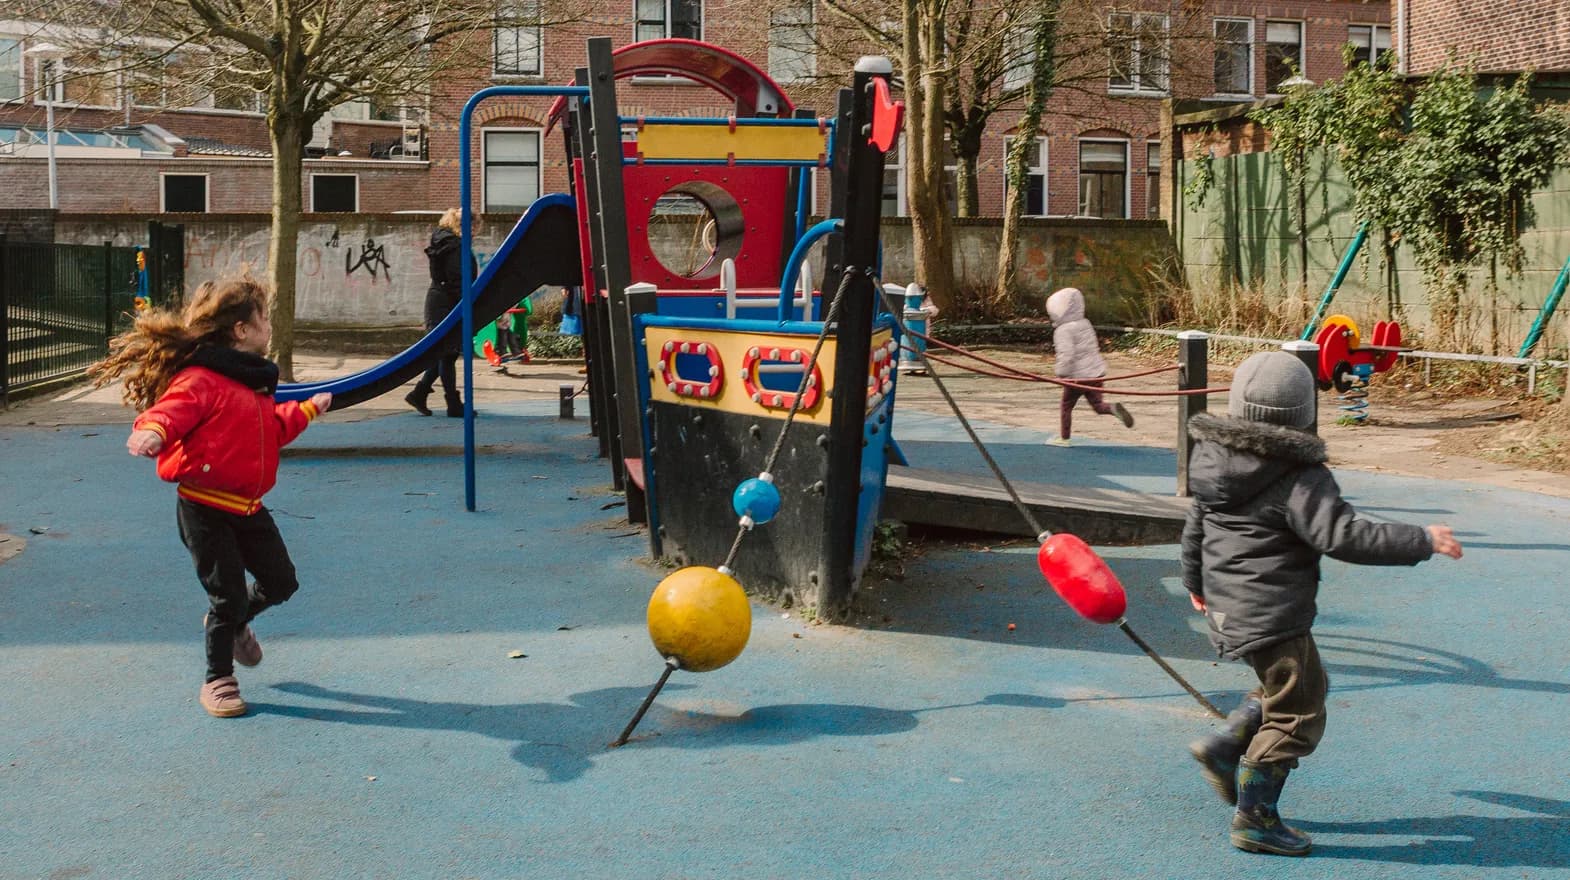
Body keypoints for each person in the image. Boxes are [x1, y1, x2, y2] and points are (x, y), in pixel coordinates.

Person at [1180, 351, 1463, 856]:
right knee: (1299, 713)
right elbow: (1345, 536)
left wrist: (1195, 584)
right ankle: (1255, 818)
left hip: (1225, 603)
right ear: (1306, 412)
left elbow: (1196, 528)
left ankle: (1226, 747)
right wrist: (1419, 539)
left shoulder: (1212, 460)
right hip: (1271, 611)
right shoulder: (1299, 476)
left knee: (1296, 683)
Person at [89, 275, 331, 718]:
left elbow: (270, 430)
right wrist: (152, 431)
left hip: (248, 507)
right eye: (264, 319)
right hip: (204, 507)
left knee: (282, 582)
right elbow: (171, 410)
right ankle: (218, 679)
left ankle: (235, 623)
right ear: (241, 329)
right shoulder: (203, 379)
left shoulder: (252, 382)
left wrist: (308, 410)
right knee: (227, 594)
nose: (269, 327)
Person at [406, 208, 475, 417]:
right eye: (472, 225)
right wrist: (466, 302)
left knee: (446, 353)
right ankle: (451, 404)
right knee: (446, 353)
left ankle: (420, 393)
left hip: (440, 300)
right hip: (446, 303)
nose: (474, 230)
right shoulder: (454, 246)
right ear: (461, 225)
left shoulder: (446, 243)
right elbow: (458, 278)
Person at [1045, 286, 1132, 446]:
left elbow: (1067, 355)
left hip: (1077, 378)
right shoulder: (1085, 323)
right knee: (1098, 405)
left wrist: (1060, 373)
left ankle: (1064, 438)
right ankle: (1112, 408)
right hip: (1096, 373)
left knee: (1066, 406)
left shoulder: (1063, 330)